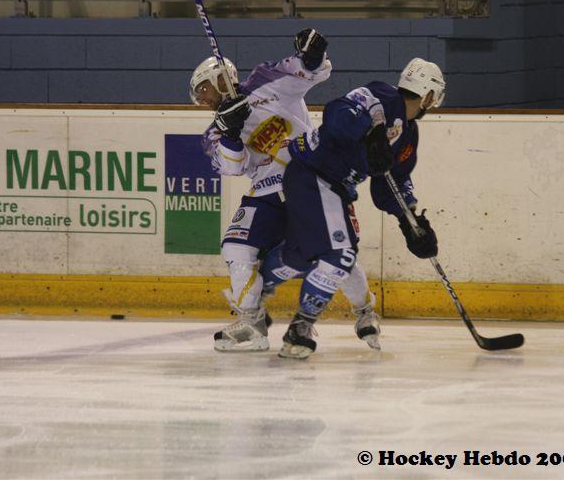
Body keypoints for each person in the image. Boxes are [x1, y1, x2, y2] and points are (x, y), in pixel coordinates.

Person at [191, 29, 381, 353]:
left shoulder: (265, 80)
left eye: (203, 90)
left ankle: (365, 311)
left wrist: (311, 55)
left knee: (336, 252)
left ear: (221, 79)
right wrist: (231, 131)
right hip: (266, 190)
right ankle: (252, 323)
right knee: (236, 248)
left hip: (311, 178)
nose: (203, 100)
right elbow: (232, 167)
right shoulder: (213, 132)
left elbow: (308, 71)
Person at [258, 57, 446, 359]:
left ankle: (258, 285)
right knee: (340, 255)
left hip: (334, 187)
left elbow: (392, 183)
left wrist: (409, 221)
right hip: (311, 174)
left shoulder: (408, 135)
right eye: (434, 97)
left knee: (302, 254)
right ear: (428, 94)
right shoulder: (383, 96)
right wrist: (369, 133)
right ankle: (300, 328)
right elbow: (337, 112)